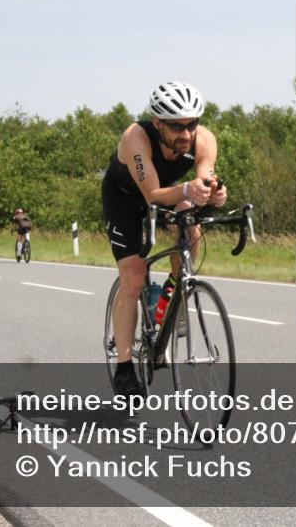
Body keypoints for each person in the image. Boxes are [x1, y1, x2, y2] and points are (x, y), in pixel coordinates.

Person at [102, 81, 227, 397]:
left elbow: (202, 182)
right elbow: (154, 196)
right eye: (176, 126)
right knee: (133, 276)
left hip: (170, 194)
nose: (186, 134)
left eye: (191, 124)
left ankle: (175, 292)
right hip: (126, 200)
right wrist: (188, 190)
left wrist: (213, 193)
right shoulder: (136, 138)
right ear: (158, 123)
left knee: (191, 228)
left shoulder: (205, 140)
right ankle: (125, 365)